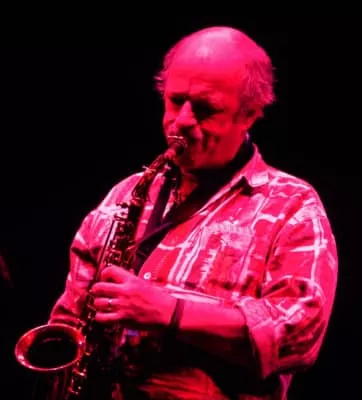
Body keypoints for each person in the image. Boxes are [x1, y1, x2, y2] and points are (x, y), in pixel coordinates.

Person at [46, 26, 338, 399]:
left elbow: (299, 335)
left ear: (249, 115)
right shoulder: (124, 195)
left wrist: (169, 311)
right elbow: (69, 323)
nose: (182, 120)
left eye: (205, 109)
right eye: (175, 101)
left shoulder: (291, 206)